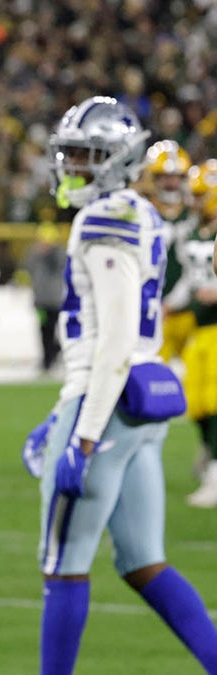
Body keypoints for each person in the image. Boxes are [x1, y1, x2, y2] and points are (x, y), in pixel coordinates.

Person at [26, 95, 217, 674]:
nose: (73, 168)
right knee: (143, 561)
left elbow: (111, 340)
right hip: (139, 407)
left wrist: (81, 434)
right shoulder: (145, 215)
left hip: (103, 402)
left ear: (115, 160)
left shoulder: (105, 217)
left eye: (85, 156)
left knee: (64, 561)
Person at [175, 163, 217, 508]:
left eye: (202, 194)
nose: (195, 201)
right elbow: (187, 281)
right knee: (197, 405)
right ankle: (210, 461)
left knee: (216, 402)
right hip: (198, 328)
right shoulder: (190, 234)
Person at [145, 141, 197, 365]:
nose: (170, 182)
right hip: (152, 308)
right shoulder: (143, 212)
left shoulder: (195, 214)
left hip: (190, 309)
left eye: (176, 176)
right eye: (164, 177)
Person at [22, 223, 67, 373]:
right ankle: (47, 360)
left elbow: (59, 265)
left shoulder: (58, 255)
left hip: (55, 300)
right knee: (43, 330)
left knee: (53, 330)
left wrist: (47, 254)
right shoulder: (34, 255)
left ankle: (53, 354)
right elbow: (27, 267)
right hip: (40, 300)